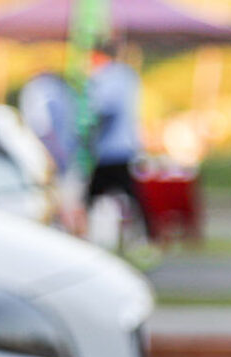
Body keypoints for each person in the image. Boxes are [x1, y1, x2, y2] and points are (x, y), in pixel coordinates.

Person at [87, 40, 145, 230]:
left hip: (109, 147)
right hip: (126, 144)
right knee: (130, 195)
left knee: (93, 195)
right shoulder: (127, 75)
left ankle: (81, 231)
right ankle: (144, 234)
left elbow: (106, 110)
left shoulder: (107, 76)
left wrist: (91, 134)